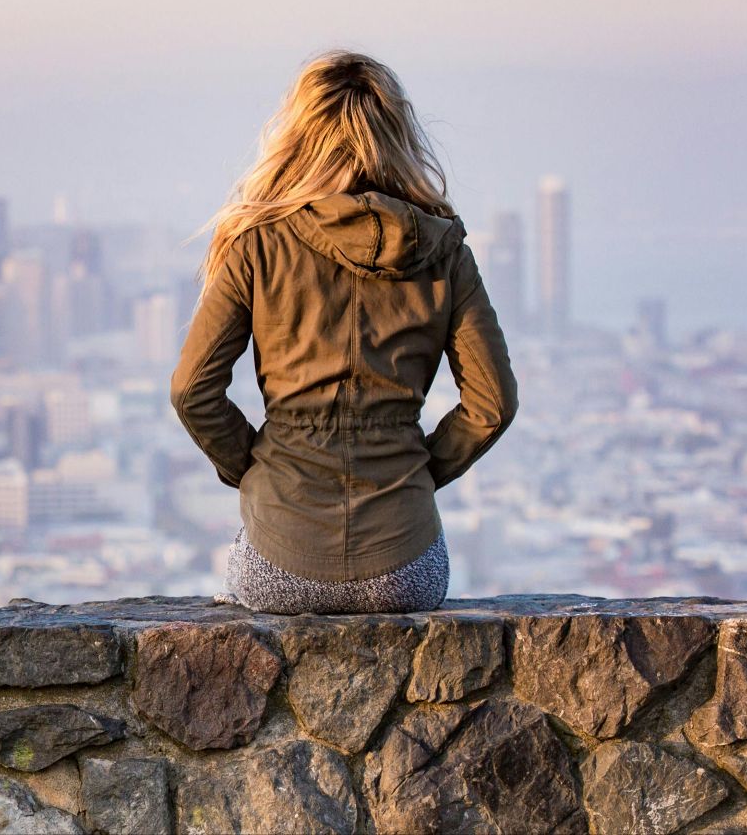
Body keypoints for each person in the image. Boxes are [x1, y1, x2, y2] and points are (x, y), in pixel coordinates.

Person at [171, 50, 517, 614]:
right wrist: (419, 472)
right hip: (406, 568)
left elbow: (191, 391)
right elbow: (493, 404)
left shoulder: (256, 244)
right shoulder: (445, 250)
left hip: (278, 562)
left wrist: (257, 468)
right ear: (397, 134)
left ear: (298, 136)